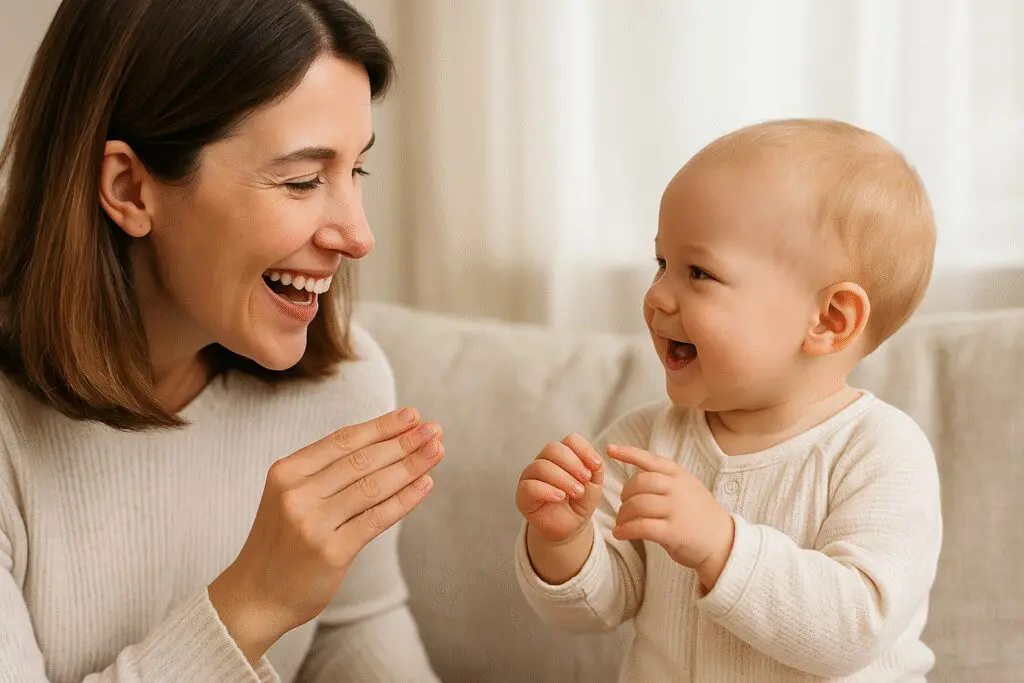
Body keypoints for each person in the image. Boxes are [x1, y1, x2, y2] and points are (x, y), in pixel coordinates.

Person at [0, 1, 442, 681]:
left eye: (356, 171)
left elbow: (354, 640)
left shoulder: (345, 387)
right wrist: (253, 601)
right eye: (302, 180)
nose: (358, 235)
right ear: (129, 188)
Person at [513, 119, 943, 681]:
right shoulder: (646, 440)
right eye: (661, 264)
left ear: (829, 320)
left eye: (699, 272)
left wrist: (723, 546)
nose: (657, 295)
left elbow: (856, 626)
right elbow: (598, 605)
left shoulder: (881, 452)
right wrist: (565, 541)